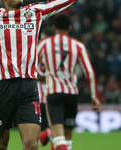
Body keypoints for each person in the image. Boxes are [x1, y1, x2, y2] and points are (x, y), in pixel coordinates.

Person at [0, 0, 78, 149]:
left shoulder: (35, 12)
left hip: (29, 88)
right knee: (0, 144)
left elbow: (61, 2)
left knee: (31, 145)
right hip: (3, 87)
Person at [38, 14, 100, 150]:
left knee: (58, 136)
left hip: (53, 93)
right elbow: (89, 72)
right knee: (68, 135)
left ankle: (52, 137)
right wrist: (94, 96)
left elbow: (31, 65)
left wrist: (39, 75)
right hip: (71, 94)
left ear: (54, 28)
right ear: (70, 28)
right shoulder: (78, 45)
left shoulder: (44, 44)